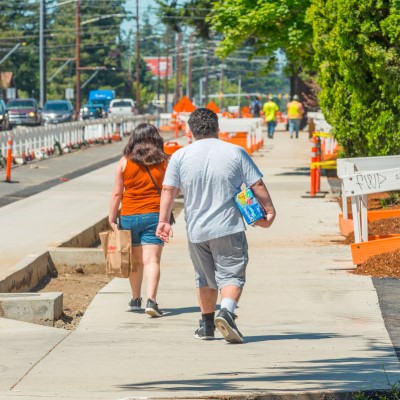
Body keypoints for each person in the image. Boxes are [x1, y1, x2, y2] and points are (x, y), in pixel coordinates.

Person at [156, 108, 276, 344]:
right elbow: (257, 183)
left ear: (190, 131)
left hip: (197, 230)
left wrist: (164, 220)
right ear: (217, 128)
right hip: (228, 227)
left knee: (204, 278)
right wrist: (269, 210)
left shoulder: (180, 156)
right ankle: (227, 312)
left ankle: (207, 325)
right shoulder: (235, 152)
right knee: (232, 275)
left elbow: (168, 189)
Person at [108, 123, 168, 318]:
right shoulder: (163, 162)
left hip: (129, 215)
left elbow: (117, 193)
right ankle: (151, 301)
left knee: (135, 262)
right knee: (152, 260)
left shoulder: (124, 162)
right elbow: (169, 190)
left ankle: (135, 299)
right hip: (154, 215)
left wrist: (111, 217)